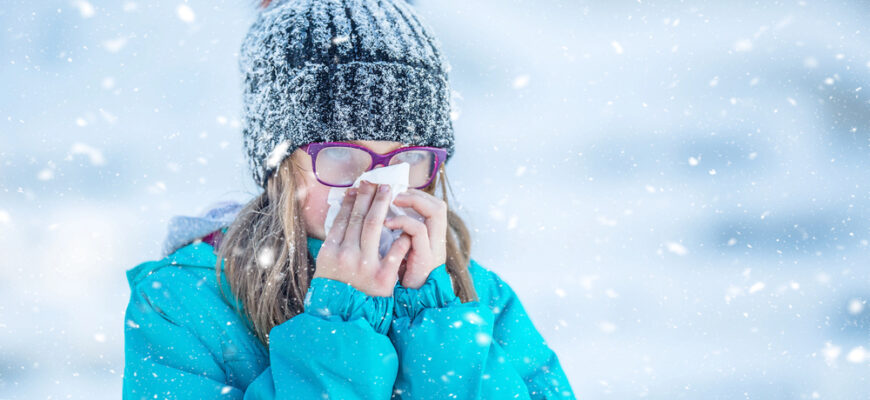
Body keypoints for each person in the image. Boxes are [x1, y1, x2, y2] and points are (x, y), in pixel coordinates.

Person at [121, 0, 576, 398]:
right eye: (341, 154)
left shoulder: (476, 298)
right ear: (278, 167)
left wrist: (436, 322)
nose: (378, 186)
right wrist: (337, 325)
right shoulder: (182, 304)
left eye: (408, 158)